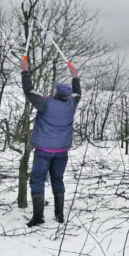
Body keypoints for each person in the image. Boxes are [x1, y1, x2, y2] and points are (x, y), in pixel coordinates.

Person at [20, 58, 81, 227]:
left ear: (55, 93)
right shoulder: (71, 104)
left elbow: (29, 90)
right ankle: (59, 215)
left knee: (37, 180)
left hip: (44, 151)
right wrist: (75, 76)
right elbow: (78, 93)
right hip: (62, 151)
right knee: (57, 179)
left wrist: (25, 71)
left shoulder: (45, 103)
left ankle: (38, 217)